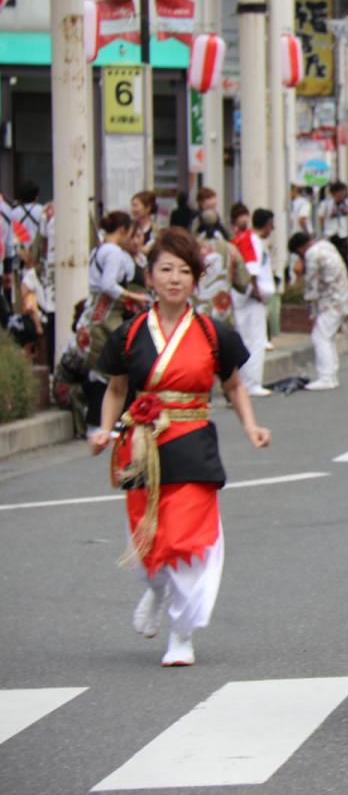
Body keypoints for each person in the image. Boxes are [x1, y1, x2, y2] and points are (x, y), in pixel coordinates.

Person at [89, 227, 270, 666]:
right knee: (148, 547)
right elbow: (116, 389)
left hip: (192, 443)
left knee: (187, 541)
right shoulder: (130, 334)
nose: (174, 279)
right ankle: (154, 588)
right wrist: (103, 430)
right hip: (140, 446)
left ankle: (182, 635)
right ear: (149, 277)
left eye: (184, 271)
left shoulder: (212, 333)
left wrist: (251, 426)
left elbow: (233, 385)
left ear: (195, 279)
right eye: (165, 270)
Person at [78, 212, 152, 436]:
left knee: (103, 370)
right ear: (122, 230)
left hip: (96, 315)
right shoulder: (113, 252)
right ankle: (99, 422)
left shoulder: (99, 249)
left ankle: (99, 423)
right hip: (105, 317)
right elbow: (108, 284)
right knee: (108, 371)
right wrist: (133, 296)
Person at [289, 231, 348, 390]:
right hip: (342, 298)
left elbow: (312, 283)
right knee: (328, 336)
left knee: (320, 337)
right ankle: (331, 374)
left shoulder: (312, 254)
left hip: (330, 301)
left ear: (299, 249)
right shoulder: (326, 246)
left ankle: (326, 377)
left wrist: (309, 304)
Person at [231, 209, 277, 397]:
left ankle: (246, 381)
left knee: (247, 339)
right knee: (255, 340)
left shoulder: (243, 239)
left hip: (243, 297)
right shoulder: (251, 240)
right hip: (250, 298)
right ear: (267, 225)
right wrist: (256, 294)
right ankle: (251, 382)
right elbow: (252, 271)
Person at [193, 212, 251, 328]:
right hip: (222, 312)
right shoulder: (230, 249)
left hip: (195, 313)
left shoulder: (191, 249)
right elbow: (243, 281)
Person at [317, 181, 348, 265]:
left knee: (344, 256)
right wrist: (323, 231)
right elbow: (321, 217)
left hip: (343, 233)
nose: (343, 195)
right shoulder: (326, 204)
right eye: (341, 192)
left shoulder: (346, 203)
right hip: (331, 233)